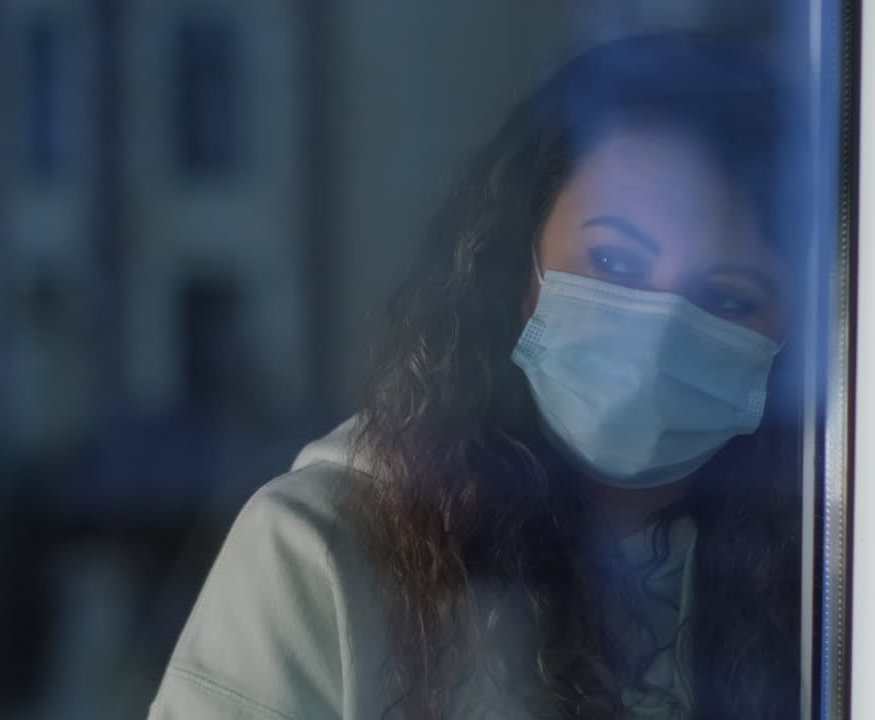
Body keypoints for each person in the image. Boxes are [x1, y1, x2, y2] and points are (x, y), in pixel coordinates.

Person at [149, 31, 804, 720]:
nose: (658, 332)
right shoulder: (320, 551)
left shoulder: (833, 575)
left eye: (727, 298)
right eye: (614, 263)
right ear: (517, 266)